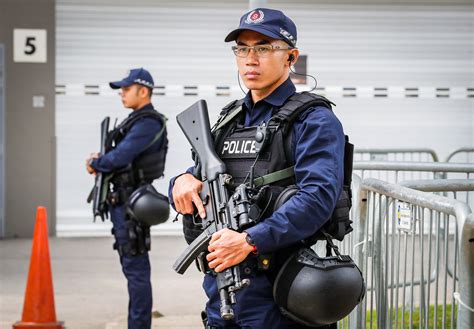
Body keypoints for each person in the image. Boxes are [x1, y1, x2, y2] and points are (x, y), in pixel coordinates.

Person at [170, 8, 345, 329]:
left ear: (290, 57)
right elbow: (199, 175)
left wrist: (250, 240)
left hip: (281, 291)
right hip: (221, 291)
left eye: (264, 48)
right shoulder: (228, 119)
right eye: (242, 48)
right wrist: (180, 182)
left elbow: (317, 199)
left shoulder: (314, 119)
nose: (250, 58)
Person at [86, 68, 168, 329]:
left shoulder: (148, 123)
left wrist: (97, 163)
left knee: (136, 271)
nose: (121, 93)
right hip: (124, 203)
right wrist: (101, 163)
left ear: (143, 91)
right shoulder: (136, 120)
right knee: (132, 268)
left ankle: (139, 326)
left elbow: (120, 157)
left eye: (126, 89)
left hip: (132, 205)